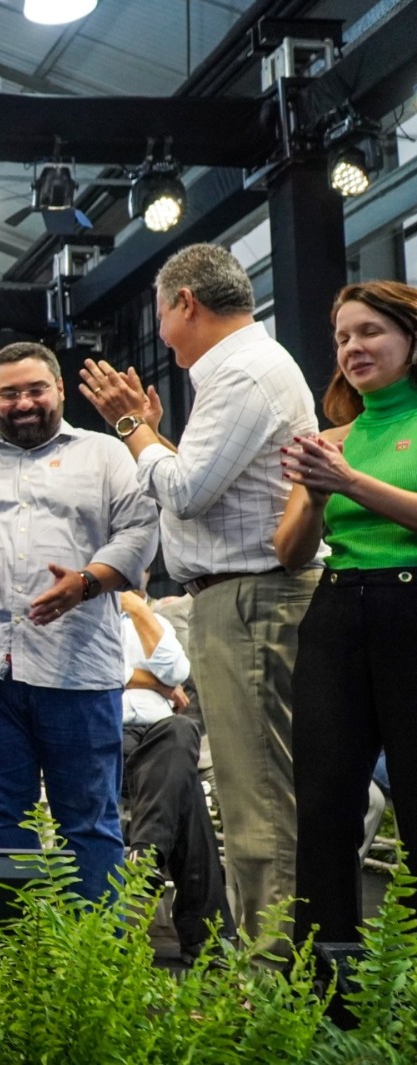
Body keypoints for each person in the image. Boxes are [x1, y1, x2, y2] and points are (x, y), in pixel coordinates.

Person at [80, 243, 320, 947]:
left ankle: (273, 983)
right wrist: (154, 436)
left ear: (187, 302)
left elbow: (184, 490)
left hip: (251, 598)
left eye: (160, 314)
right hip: (242, 596)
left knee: (260, 808)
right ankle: (273, 969)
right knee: (256, 801)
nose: (159, 333)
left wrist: (132, 428)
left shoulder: (243, 372)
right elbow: (206, 489)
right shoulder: (240, 369)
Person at [0, 342, 159, 903]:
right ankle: (10, 967)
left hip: (79, 669)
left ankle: (98, 969)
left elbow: (141, 532)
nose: (23, 402)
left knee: (89, 824)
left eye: (35, 389)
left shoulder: (107, 455)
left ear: (60, 390)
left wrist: (87, 581)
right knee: (0, 819)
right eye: (9, 392)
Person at [274, 280, 417, 945]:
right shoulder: (337, 435)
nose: (352, 347)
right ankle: (324, 985)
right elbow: (289, 550)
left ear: (410, 337)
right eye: (341, 337)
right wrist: (311, 490)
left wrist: (350, 481)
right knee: (326, 805)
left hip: (408, 605)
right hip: (335, 609)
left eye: (369, 331)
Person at [118, 586, 234, 960]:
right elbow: (97, 670)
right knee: (187, 798)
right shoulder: (82, 612)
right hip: (106, 734)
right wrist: (154, 683)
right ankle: (208, 939)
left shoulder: (149, 617)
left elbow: (178, 670)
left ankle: (146, 857)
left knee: (182, 731)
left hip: (160, 737)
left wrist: (139, 611)